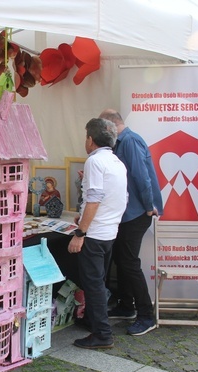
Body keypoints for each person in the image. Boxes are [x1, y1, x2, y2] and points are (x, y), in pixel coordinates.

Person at [99, 109, 164, 337]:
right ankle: (127, 307)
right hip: (129, 212)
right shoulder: (123, 142)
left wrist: (148, 206)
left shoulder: (130, 141)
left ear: (110, 126)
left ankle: (146, 315)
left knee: (129, 262)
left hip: (137, 212)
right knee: (122, 259)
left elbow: (141, 176)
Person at [68, 118, 127, 349]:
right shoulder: (116, 162)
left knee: (93, 284)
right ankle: (95, 322)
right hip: (109, 231)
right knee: (98, 281)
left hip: (94, 234)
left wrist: (80, 233)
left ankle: (102, 334)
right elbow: (118, 198)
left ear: (90, 140)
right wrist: (83, 217)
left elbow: (94, 199)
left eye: (86, 137)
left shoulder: (95, 161)